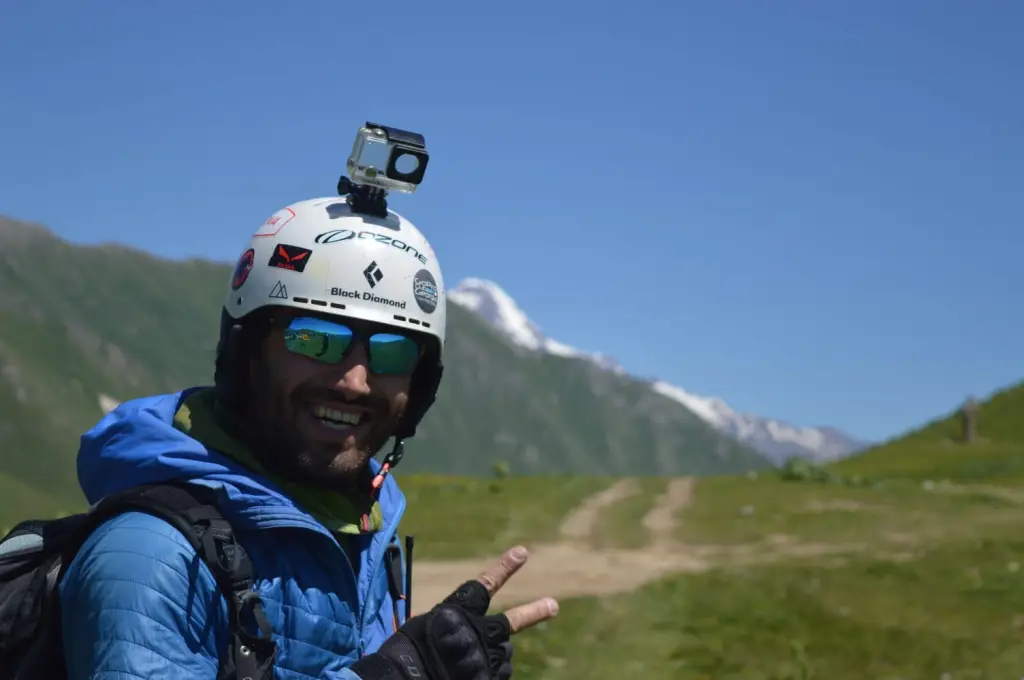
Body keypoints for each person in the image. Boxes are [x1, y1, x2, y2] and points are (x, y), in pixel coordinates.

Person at [58, 196, 559, 679]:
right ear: (247, 353)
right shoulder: (155, 557)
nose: (356, 381)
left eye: (393, 352)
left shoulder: (361, 534)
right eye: (315, 339)